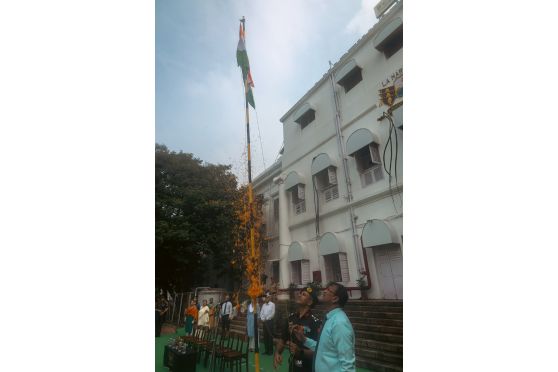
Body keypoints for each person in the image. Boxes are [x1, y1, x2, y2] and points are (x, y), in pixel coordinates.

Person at [293, 282, 356, 372]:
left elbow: (348, 366)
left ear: (335, 298)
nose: (324, 291)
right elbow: (323, 348)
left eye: (328, 290)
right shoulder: (330, 319)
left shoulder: (340, 323)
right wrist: (304, 339)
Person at [274, 286, 321, 371]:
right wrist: (277, 353)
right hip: (294, 364)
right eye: (300, 293)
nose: (299, 295)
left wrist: (300, 352)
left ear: (310, 302)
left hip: (309, 366)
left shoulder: (316, 322)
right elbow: (283, 339)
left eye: (303, 294)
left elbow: (318, 351)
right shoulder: (291, 318)